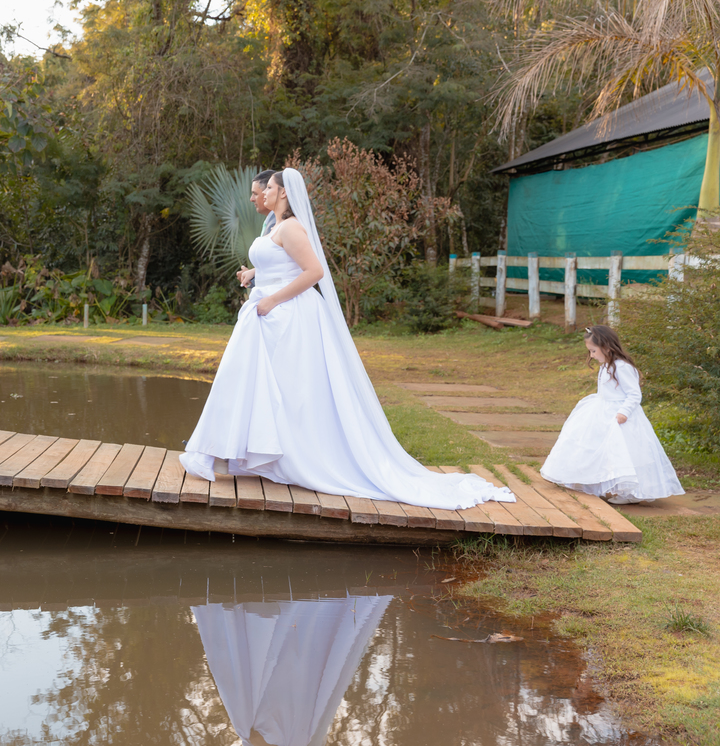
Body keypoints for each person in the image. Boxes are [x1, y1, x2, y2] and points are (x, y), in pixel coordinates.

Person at [179, 168, 514, 511]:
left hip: (286, 317)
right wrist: (254, 275)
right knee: (257, 386)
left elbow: (314, 272)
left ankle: (224, 454)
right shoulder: (275, 226)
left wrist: (272, 299)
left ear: (281, 192)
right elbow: (283, 264)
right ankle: (236, 454)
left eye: (267, 189)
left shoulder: (292, 226)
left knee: (280, 390)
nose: (260, 195)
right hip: (267, 317)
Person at [541, 326, 684, 505]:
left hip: (619, 416)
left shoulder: (622, 367)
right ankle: (601, 484)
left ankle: (626, 490)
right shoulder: (606, 366)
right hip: (601, 411)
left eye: (593, 351)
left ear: (606, 347)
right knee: (599, 449)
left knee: (622, 452)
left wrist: (623, 413)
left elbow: (634, 394)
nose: (591, 355)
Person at [236, 169, 278, 290]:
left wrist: (254, 273)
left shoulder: (278, 224)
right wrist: (251, 277)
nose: (251, 199)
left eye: (255, 193)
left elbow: (281, 270)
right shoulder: (270, 221)